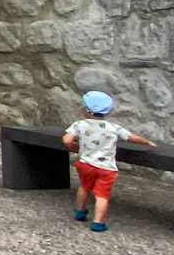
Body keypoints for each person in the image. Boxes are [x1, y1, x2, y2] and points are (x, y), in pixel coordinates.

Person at [62, 90, 155, 231]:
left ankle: (80, 211)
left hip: (86, 164)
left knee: (84, 187)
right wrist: (147, 142)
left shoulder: (79, 125)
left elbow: (67, 139)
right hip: (106, 168)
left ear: (87, 111)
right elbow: (132, 137)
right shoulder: (113, 128)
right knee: (102, 195)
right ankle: (97, 222)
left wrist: (73, 146)